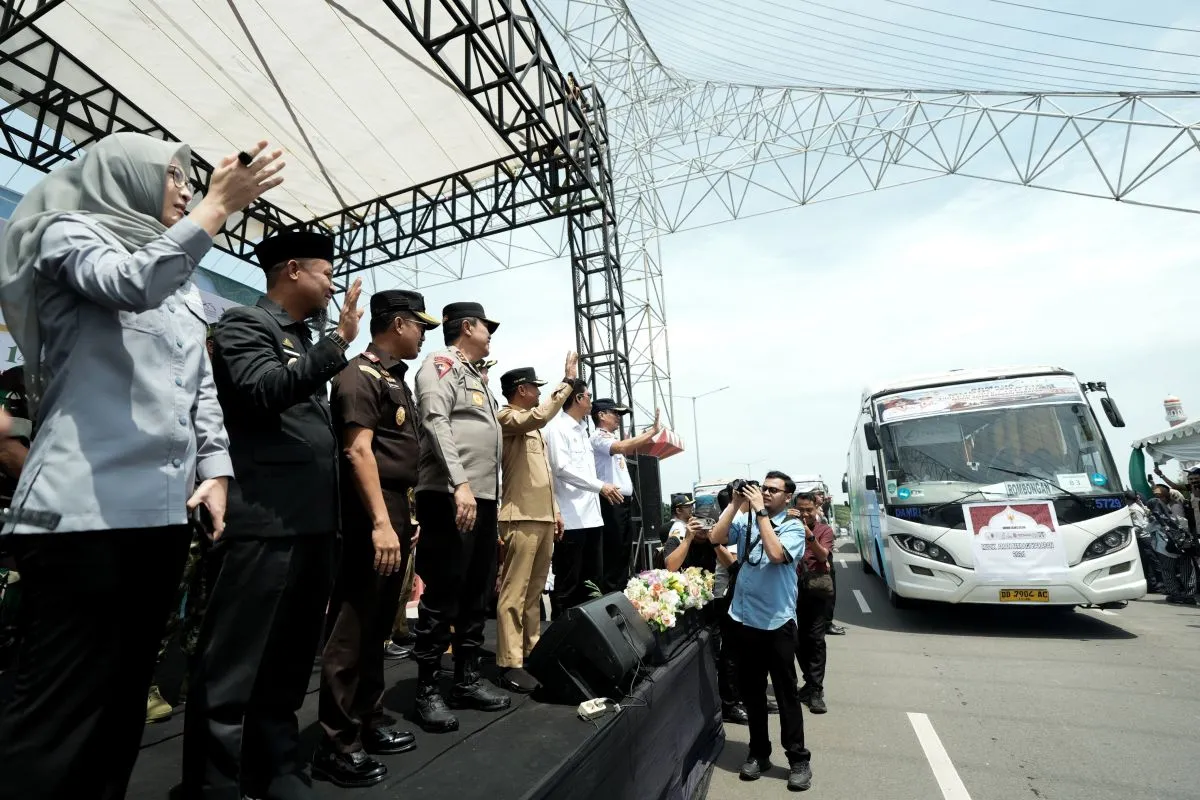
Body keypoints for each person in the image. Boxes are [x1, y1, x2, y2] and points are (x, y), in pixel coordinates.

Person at [0, 133, 283, 799]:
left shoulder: (182, 275)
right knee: (59, 710)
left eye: (189, 179)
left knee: (124, 705)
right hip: (81, 516)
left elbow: (199, 387)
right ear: (126, 175)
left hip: (159, 519)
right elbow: (127, 284)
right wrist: (216, 208)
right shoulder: (68, 233)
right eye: (173, 175)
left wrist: (215, 471)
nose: (185, 188)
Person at [182, 230, 363, 800]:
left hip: (312, 523)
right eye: (325, 272)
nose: (333, 284)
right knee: (234, 663)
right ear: (292, 270)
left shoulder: (302, 338)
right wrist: (337, 344)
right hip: (263, 520)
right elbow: (262, 391)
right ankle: (214, 782)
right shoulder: (245, 324)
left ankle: (276, 767)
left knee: (289, 661)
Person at [312, 290, 439, 787]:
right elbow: (358, 452)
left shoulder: (392, 378)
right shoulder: (358, 375)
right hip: (371, 510)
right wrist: (382, 523)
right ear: (398, 323)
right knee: (352, 626)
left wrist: (406, 516)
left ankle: (369, 719)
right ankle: (336, 742)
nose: (423, 335)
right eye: (419, 325)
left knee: (378, 626)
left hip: (396, 506)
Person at [411, 302, 510, 732]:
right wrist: (460, 483)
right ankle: (427, 688)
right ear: (467, 327)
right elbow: (436, 422)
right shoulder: (441, 365)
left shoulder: (475, 375)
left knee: (476, 591)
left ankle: (466, 679)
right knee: (443, 592)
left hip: (481, 497)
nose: (490, 335)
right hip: (451, 495)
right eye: (486, 327)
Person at [709, 472, 812, 791]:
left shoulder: (793, 526)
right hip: (744, 619)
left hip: (777, 622)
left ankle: (798, 759)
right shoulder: (747, 519)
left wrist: (761, 512)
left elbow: (777, 555)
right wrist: (734, 504)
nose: (765, 493)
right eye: (763, 488)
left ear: (787, 496)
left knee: (786, 694)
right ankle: (758, 752)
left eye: (773, 490)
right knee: (752, 693)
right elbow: (715, 538)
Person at [493, 355, 577, 693]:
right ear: (521, 390)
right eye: (534, 387)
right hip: (520, 516)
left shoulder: (533, 427)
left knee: (534, 592)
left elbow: (545, 478)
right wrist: (566, 383)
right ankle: (509, 662)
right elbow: (540, 415)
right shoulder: (507, 417)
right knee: (514, 593)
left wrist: (555, 511)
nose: (539, 392)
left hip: (541, 517)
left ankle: (532, 651)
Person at [545, 379, 623, 617]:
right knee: (569, 585)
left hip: (592, 518)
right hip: (571, 519)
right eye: (588, 396)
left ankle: (588, 634)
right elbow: (561, 469)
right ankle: (563, 633)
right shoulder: (557, 428)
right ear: (578, 398)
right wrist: (600, 486)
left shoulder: (582, 429)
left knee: (592, 585)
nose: (591, 400)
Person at [590, 399, 660, 591]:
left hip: (623, 502)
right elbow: (621, 447)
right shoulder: (598, 437)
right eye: (615, 413)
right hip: (610, 500)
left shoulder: (611, 438)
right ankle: (611, 592)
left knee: (624, 550)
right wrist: (651, 432)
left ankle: (620, 590)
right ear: (601, 415)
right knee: (614, 551)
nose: (618, 418)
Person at [790, 492, 834, 715]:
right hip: (790, 592)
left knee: (815, 640)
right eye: (801, 510)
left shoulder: (824, 530)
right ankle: (809, 682)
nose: (805, 514)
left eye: (809, 510)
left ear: (816, 509)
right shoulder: (786, 528)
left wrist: (807, 534)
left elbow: (823, 555)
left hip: (815, 592)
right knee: (796, 641)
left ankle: (816, 690)